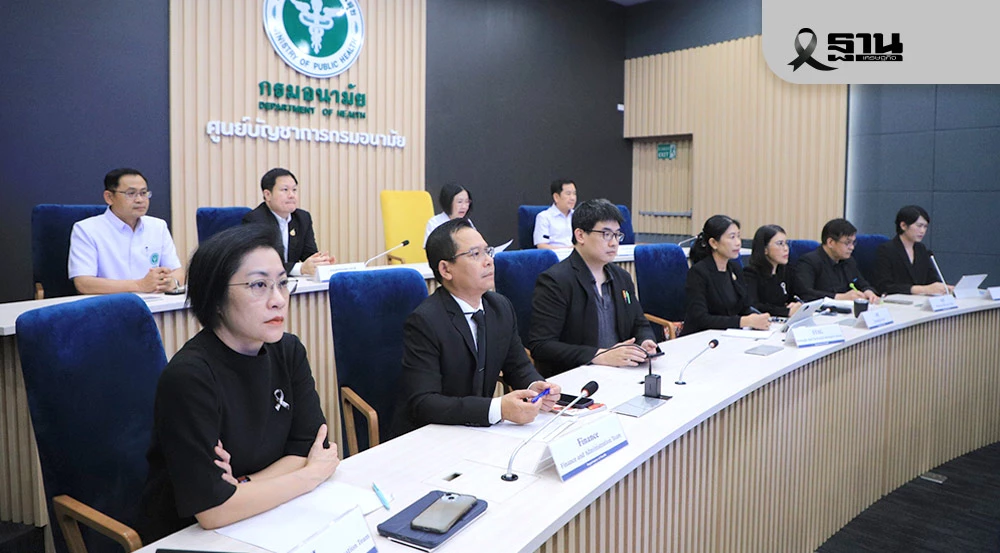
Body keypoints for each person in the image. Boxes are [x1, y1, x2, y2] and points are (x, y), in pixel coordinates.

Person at [138, 225, 338, 542]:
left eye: (282, 283)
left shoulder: (288, 350)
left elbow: (310, 446)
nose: (278, 300)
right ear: (215, 297)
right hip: (190, 537)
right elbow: (213, 511)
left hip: (267, 517)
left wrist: (243, 487)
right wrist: (310, 475)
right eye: (259, 285)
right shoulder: (190, 376)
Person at [391, 218, 561, 437]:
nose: (488, 261)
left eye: (487, 251)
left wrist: (535, 386)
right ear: (446, 269)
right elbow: (425, 403)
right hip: (433, 435)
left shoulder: (500, 307)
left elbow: (518, 366)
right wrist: (498, 409)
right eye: (475, 254)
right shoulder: (425, 321)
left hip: (480, 432)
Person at [528, 199, 656, 377]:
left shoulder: (622, 278)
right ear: (580, 235)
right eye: (606, 234)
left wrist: (645, 341)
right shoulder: (555, 281)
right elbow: (541, 346)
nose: (614, 243)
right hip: (576, 376)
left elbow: (639, 323)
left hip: (622, 372)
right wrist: (599, 355)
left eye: (617, 235)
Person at [68, 168, 184, 294]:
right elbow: (84, 283)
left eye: (143, 193)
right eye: (131, 193)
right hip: (110, 303)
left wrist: (171, 282)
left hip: (156, 302)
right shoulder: (86, 229)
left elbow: (177, 271)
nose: (139, 200)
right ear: (109, 197)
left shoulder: (158, 226)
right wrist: (139, 285)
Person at [681, 215, 770, 336]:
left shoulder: (735, 268)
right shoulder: (698, 273)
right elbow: (700, 319)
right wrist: (743, 321)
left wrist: (758, 318)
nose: (738, 243)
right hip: (701, 337)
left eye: (738, 236)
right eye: (732, 237)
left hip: (729, 335)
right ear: (714, 243)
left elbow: (744, 307)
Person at [242, 168, 333, 276]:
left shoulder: (302, 218)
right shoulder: (255, 220)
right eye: (285, 190)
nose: (291, 195)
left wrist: (319, 263)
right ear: (267, 195)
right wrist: (300, 268)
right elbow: (262, 263)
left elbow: (309, 255)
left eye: (294, 190)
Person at [792, 218, 879, 303]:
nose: (852, 247)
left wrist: (868, 291)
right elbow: (806, 294)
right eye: (847, 243)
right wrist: (839, 297)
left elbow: (861, 283)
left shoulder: (849, 261)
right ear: (830, 242)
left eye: (853, 242)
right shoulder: (809, 262)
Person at [874, 205, 950, 296]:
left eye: (925, 227)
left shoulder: (921, 249)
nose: (922, 231)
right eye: (919, 226)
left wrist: (943, 288)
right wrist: (921, 289)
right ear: (903, 225)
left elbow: (932, 279)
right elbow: (884, 286)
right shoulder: (886, 250)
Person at [744, 224, 802, 318]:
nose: (786, 248)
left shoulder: (787, 271)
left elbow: (798, 295)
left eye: (786, 243)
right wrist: (785, 311)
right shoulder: (750, 274)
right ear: (765, 249)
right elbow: (754, 306)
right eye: (780, 244)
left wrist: (797, 304)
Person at [533, 179, 577, 249]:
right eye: (568, 194)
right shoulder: (544, 217)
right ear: (556, 197)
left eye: (574, 194)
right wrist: (568, 249)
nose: (573, 198)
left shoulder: (578, 215)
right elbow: (542, 246)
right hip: (555, 255)